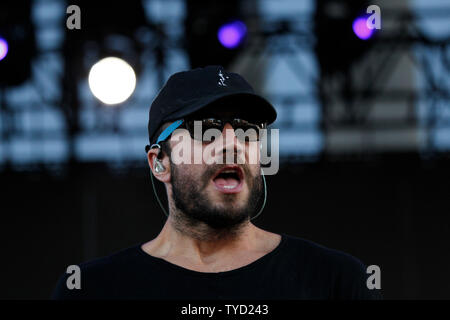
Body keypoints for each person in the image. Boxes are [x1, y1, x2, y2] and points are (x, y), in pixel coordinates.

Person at [51, 65, 381, 300]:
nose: (230, 142)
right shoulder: (93, 289)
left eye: (246, 129)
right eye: (204, 127)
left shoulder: (335, 281)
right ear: (160, 162)